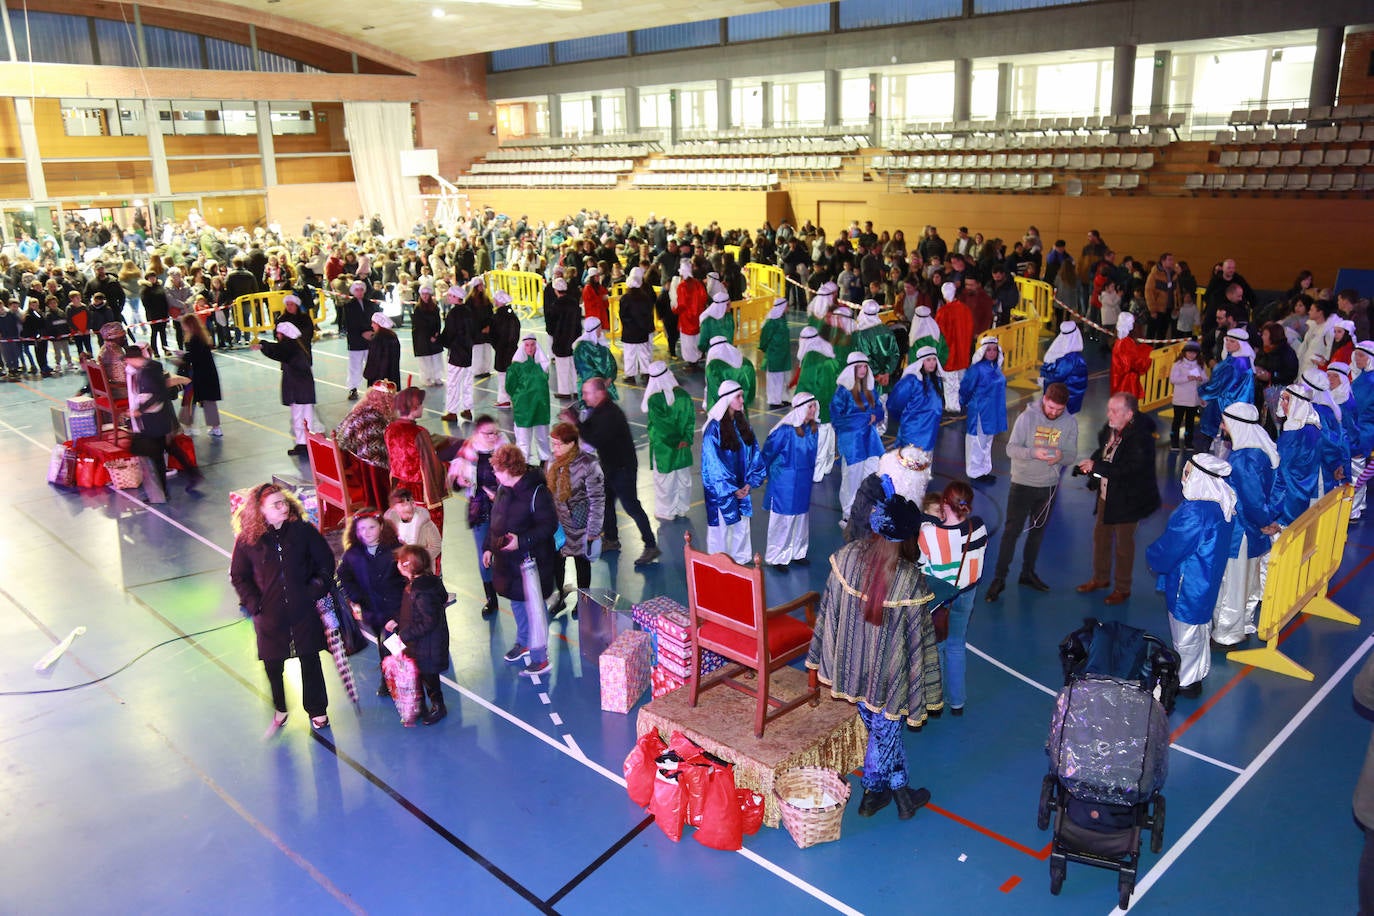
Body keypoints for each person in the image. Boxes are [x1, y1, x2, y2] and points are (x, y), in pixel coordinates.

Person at [806, 488, 938, 820]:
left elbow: (830, 612)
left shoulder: (847, 556)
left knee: (881, 731)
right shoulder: (910, 582)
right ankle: (896, 793)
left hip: (852, 669)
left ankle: (878, 795)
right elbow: (918, 644)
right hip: (888, 679)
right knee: (886, 729)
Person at [230, 483, 336, 731]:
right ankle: (280, 707)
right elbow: (239, 575)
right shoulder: (248, 540)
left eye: (284, 502)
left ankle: (317, 709)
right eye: (275, 504)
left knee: (310, 660)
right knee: (272, 664)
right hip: (270, 616)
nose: (283, 507)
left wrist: (314, 589)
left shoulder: (303, 531)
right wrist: (255, 604)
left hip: (303, 611)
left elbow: (326, 562)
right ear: (261, 511)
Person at [1146, 454, 1236, 699]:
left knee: (1185, 634)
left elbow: (1173, 546)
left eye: (1187, 473)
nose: (1183, 477)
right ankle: (1198, 670)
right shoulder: (1221, 502)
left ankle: (1185, 681)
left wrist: (1152, 556)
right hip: (1207, 578)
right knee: (1199, 629)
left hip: (1189, 582)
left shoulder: (1196, 512)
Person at [984, 383, 1078, 601]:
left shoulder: (1070, 423)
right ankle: (999, 578)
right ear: (1044, 399)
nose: (1054, 413)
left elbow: (1071, 455)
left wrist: (1059, 458)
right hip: (1022, 484)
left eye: (1059, 410)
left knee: (1037, 533)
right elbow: (1010, 448)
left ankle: (1027, 573)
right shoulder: (1027, 418)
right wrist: (1032, 452)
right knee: (1011, 533)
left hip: (1048, 487)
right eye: (1051, 407)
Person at [1076, 393, 1162, 605]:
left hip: (1128, 499)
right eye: (1108, 409)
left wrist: (1098, 467)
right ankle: (1100, 578)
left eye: (1114, 411)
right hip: (1108, 494)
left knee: (1124, 546)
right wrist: (1092, 462)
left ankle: (1122, 588)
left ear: (1129, 414)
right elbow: (1104, 452)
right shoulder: (1112, 427)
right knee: (1101, 538)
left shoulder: (1141, 439)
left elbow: (1130, 469)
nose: (1108, 415)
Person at [483, 444, 559, 678]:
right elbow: (496, 520)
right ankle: (523, 641)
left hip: (531, 562)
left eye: (497, 469)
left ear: (509, 469)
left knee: (534, 608)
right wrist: (488, 547)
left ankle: (540, 658)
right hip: (508, 562)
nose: (494, 474)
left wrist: (522, 541)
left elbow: (549, 525)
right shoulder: (505, 489)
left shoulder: (537, 492)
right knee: (517, 602)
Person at [1211, 403, 1278, 649]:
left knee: (1233, 581)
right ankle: (1245, 623)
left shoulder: (1242, 459)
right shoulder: (1260, 450)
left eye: (1224, 422)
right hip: (1255, 530)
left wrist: (1264, 521)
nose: (1221, 426)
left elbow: (1252, 499)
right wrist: (1267, 521)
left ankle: (1227, 633)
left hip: (1242, 530)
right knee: (1249, 581)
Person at [919, 481, 988, 716]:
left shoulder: (928, 533)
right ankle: (957, 702)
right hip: (968, 591)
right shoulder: (978, 527)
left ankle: (934, 701)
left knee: (936, 646)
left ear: (943, 503)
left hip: (941, 597)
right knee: (957, 644)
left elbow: (920, 565)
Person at [578, 377, 661, 566]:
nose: (584, 397)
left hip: (622, 468)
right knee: (606, 502)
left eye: (586, 393)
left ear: (599, 393)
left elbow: (596, 439)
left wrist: (576, 421)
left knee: (632, 506)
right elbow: (590, 429)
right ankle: (612, 539)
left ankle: (650, 545)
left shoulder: (610, 414)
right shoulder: (600, 410)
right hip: (610, 466)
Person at [337, 511, 407, 696]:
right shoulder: (353, 554)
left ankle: (392, 680)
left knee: (391, 643)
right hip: (373, 609)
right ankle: (390, 677)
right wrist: (356, 596)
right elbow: (344, 576)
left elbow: (408, 576)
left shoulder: (395, 549)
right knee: (384, 642)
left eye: (371, 527)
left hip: (396, 607)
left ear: (381, 527)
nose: (366, 533)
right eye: (361, 529)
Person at [701, 380, 767, 564]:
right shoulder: (713, 430)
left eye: (742, 396)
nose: (742, 401)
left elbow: (754, 454)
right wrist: (731, 488)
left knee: (741, 526)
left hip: (741, 487)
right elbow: (713, 465)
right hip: (721, 491)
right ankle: (718, 565)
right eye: (738, 397)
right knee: (721, 529)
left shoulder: (743, 425)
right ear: (727, 399)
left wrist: (749, 483)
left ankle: (740, 561)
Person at [384, 545, 452, 725]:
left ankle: (439, 706)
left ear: (408, 567)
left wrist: (405, 634)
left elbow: (428, 621)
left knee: (429, 677)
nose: (397, 565)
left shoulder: (419, 591)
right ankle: (420, 706)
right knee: (420, 675)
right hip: (421, 644)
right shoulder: (426, 582)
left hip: (427, 645)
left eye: (400, 562)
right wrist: (399, 622)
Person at [124, 345, 200, 502]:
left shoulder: (148, 371)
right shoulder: (148, 368)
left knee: (157, 454)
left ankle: (161, 492)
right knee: (167, 448)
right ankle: (191, 475)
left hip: (156, 419)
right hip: (158, 418)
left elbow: (157, 393)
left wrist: (140, 410)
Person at [451, 415, 504, 617]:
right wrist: (461, 482)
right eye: (488, 433)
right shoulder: (467, 451)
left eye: (496, 432)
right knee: (484, 553)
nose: (493, 436)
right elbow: (454, 482)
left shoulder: (505, 448)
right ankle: (491, 597)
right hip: (480, 509)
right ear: (477, 433)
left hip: (505, 508)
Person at [546, 421, 605, 601]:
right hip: (558, 525)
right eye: (553, 443)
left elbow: (597, 499)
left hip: (580, 526)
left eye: (558, 444)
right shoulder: (552, 462)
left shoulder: (589, 464)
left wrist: (593, 531)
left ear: (571, 443)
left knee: (582, 565)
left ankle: (583, 601)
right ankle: (561, 597)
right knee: (557, 563)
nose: (554, 448)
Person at [761, 391, 820, 569]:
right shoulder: (785, 430)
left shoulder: (813, 430)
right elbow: (768, 453)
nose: (813, 410)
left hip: (803, 482)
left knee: (801, 518)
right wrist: (762, 474)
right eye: (810, 406)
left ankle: (797, 552)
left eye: (814, 406)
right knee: (783, 520)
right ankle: (776, 556)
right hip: (784, 484)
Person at [832, 352, 885, 522]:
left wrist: (875, 415)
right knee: (851, 479)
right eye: (859, 367)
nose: (863, 370)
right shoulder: (843, 392)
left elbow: (879, 409)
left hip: (869, 440)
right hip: (852, 442)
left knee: (871, 474)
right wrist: (862, 419)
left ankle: (867, 508)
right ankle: (848, 514)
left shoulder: (870, 389)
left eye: (864, 366)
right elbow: (837, 419)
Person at [642, 360, 694, 520]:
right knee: (683, 477)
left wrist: (674, 441)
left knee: (665, 479)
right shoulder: (683, 395)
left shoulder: (654, 400)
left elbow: (661, 426)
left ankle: (666, 511)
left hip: (664, 447)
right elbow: (690, 420)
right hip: (684, 444)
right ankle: (682, 507)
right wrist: (685, 439)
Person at [1271, 384, 1323, 526]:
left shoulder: (1296, 434)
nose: (1282, 404)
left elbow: (1282, 469)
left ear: (1298, 403)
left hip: (1289, 496)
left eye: (1287, 400)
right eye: (1282, 399)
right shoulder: (1310, 426)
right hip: (1303, 489)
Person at [794, 326, 841, 481]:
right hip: (832, 406)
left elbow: (805, 384)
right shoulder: (828, 353)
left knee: (818, 443)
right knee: (829, 441)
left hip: (818, 407)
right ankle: (827, 467)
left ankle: (816, 474)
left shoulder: (811, 357)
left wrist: (799, 404)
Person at [959, 336, 1008, 484]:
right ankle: (975, 472)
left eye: (994, 349)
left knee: (987, 442)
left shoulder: (996, 368)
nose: (992, 353)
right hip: (981, 411)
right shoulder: (977, 369)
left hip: (993, 411)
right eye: (988, 350)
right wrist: (965, 403)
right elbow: (966, 388)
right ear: (982, 352)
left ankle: (985, 469)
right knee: (977, 442)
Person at [1197, 328, 1255, 447]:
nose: (1228, 343)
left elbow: (1219, 386)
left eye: (1232, 341)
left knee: (1218, 446)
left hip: (1226, 408)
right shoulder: (1236, 358)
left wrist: (1203, 392)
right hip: (1230, 407)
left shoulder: (1237, 364)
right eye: (1227, 340)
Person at [1303, 366, 1352, 493]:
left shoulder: (1317, 411)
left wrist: (1336, 464)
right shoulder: (1325, 408)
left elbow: (1328, 442)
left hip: (1318, 468)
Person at [506, 332, 552, 466]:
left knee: (543, 436)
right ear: (523, 347)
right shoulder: (516, 366)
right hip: (524, 408)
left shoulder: (542, 365)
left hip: (541, 407)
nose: (530, 348)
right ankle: (523, 462)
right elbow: (510, 386)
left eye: (533, 345)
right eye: (527, 345)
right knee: (523, 439)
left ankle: (544, 460)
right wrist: (518, 399)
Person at [887, 345, 943, 452]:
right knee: (911, 464)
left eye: (934, 360)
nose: (932, 363)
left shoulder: (936, 381)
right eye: (928, 360)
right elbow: (894, 404)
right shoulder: (910, 381)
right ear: (921, 362)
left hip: (931, 431)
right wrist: (906, 420)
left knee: (925, 463)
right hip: (913, 431)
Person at [176, 312, 223, 437]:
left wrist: (182, 356)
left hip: (197, 375)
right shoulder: (202, 337)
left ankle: (188, 426)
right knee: (209, 402)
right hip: (208, 375)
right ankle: (216, 427)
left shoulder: (193, 339)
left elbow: (194, 357)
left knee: (189, 400)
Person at [337, 380, 395, 472]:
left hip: (343, 464)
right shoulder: (379, 423)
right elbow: (378, 461)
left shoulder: (355, 413)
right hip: (361, 474)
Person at [384, 487, 443, 571]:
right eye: (403, 504)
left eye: (411, 502)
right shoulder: (389, 524)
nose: (410, 506)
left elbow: (436, 546)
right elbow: (387, 548)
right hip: (399, 570)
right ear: (394, 508)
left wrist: (418, 560)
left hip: (421, 568)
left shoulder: (424, 522)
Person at [440, 285, 475, 422]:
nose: (448, 298)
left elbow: (449, 334)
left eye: (450, 295)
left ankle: (452, 411)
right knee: (467, 382)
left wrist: (439, 340)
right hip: (468, 352)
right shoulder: (469, 311)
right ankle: (467, 409)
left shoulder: (453, 314)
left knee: (453, 383)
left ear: (456, 298)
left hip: (456, 353)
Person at [340, 279, 379, 400]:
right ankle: (353, 388)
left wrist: (372, 332)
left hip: (370, 340)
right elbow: (348, 324)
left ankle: (374, 387)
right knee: (354, 366)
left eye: (361, 289)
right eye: (357, 290)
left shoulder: (370, 304)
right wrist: (362, 333)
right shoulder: (348, 306)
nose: (359, 292)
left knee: (373, 364)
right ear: (353, 291)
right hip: (356, 340)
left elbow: (375, 320)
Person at [1038, 321, 1088, 414]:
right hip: (1073, 397)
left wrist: (1045, 376)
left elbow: (1056, 376)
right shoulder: (1077, 357)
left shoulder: (1069, 360)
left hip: (1065, 400)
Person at [852, 299, 901, 393]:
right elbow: (895, 354)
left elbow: (864, 357)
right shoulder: (887, 330)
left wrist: (878, 374)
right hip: (886, 380)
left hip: (870, 381)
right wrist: (887, 372)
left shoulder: (862, 334)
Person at [618, 266, 656, 383]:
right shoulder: (645, 297)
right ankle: (646, 372)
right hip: (642, 331)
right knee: (644, 353)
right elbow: (648, 313)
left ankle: (630, 374)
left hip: (629, 331)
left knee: (629, 354)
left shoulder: (625, 298)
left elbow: (622, 315)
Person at [1168, 341, 1206, 450]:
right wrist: (1187, 378)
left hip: (1193, 400)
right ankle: (1174, 442)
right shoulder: (1178, 364)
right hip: (1180, 399)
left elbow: (1205, 379)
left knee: (1190, 423)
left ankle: (1188, 442)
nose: (1191, 355)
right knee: (1177, 421)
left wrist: (1201, 379)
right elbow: (1173, 379)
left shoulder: (1200, 365)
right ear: (1184, 353)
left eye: (1194, 353)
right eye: (1189, 352)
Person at [1351, 341, 1374, 521]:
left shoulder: (1369, 380)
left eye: (1361, 355)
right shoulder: (1365, 377)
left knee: (1356, 471)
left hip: (1363, 430)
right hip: (1364, 428)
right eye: (1356, 354)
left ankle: (1354, 509)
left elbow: (1358, 407)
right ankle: (1361, 503)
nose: (1357, 358)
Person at [704, 335, 757, 412]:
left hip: (721, 413)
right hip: (740, 408)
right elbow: (751, 389)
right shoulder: (746, 363)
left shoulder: (713, 367)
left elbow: (713, 390)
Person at [573, 317, 618, 404]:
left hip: (604, 388)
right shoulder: (581, 348)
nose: (601, 330)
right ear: (596, 329)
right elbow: (585, 371)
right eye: (599, 328)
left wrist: (609, 378)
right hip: (591, 390)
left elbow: (611, 363)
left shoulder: (600, 343)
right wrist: (602, 383)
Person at [757, 297, 792, 408]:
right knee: (775, 378)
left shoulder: (782, 318)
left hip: (783, 354)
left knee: (783, 377)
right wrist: (766, 349)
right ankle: (774, 400)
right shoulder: (771, 321)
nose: (788, 308)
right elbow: (764, 338)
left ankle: (783, 397)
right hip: (774, 354)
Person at [489, 289, 521, 408]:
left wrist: (497, 346)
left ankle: (504, 399)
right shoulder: (512, 315)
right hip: (513, 349)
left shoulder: (498, 316)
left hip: (502, 351)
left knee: (503, 376)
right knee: (512, 376)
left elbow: (494, 335)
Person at [672, 258, 707, 365]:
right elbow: (704, 298)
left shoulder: (681, 286)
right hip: (698, 317)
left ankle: (691, 362)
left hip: (686, 319)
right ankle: (697, 357)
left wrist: (674, 309)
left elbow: (681, 304)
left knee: (687, 342)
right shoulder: (698, 283)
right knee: (696, 339)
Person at [1110, 312, 1153, 398]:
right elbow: (1132, 363)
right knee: (1128, 404)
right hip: (1127, 382)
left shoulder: (1120, 341)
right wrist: (1147, 355)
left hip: (1120, 379)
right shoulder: (1125, 343)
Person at [410, 283, 445, 388]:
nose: (425, 296)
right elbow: (419, 325)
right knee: (425, 359)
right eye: (423, 294)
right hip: (422, 338)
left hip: (434, 337)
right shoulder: (417, 308)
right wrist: (429, 335)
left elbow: (438, 322)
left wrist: (436, 334)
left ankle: (437, 376)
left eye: (427, 294)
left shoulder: (435, 307)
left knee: (436, 357)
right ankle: (427, 378)